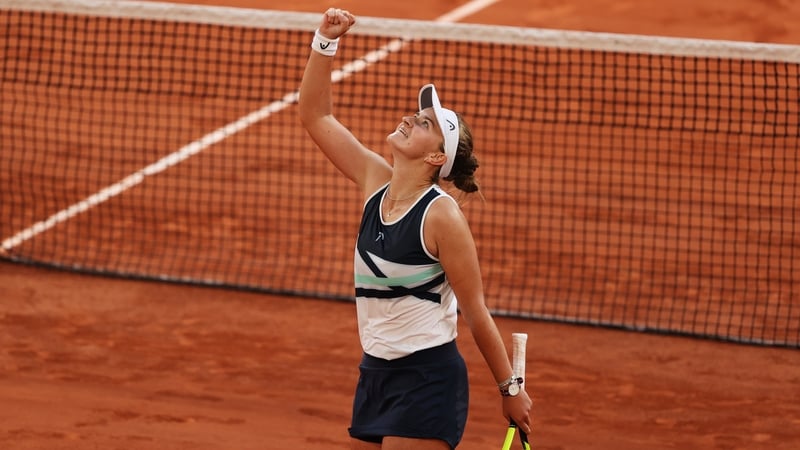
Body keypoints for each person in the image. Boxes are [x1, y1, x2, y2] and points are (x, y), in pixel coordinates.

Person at [298, 8, 532, 450]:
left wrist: (510, 388)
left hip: (427, 379)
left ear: (435, 158)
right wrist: (324, 42)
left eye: (424, 123)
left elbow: (475, 311)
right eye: (416, 114)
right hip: (375, 374)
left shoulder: (441, 217)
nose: (410, 118)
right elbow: (315, 117)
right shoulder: (374, 182)